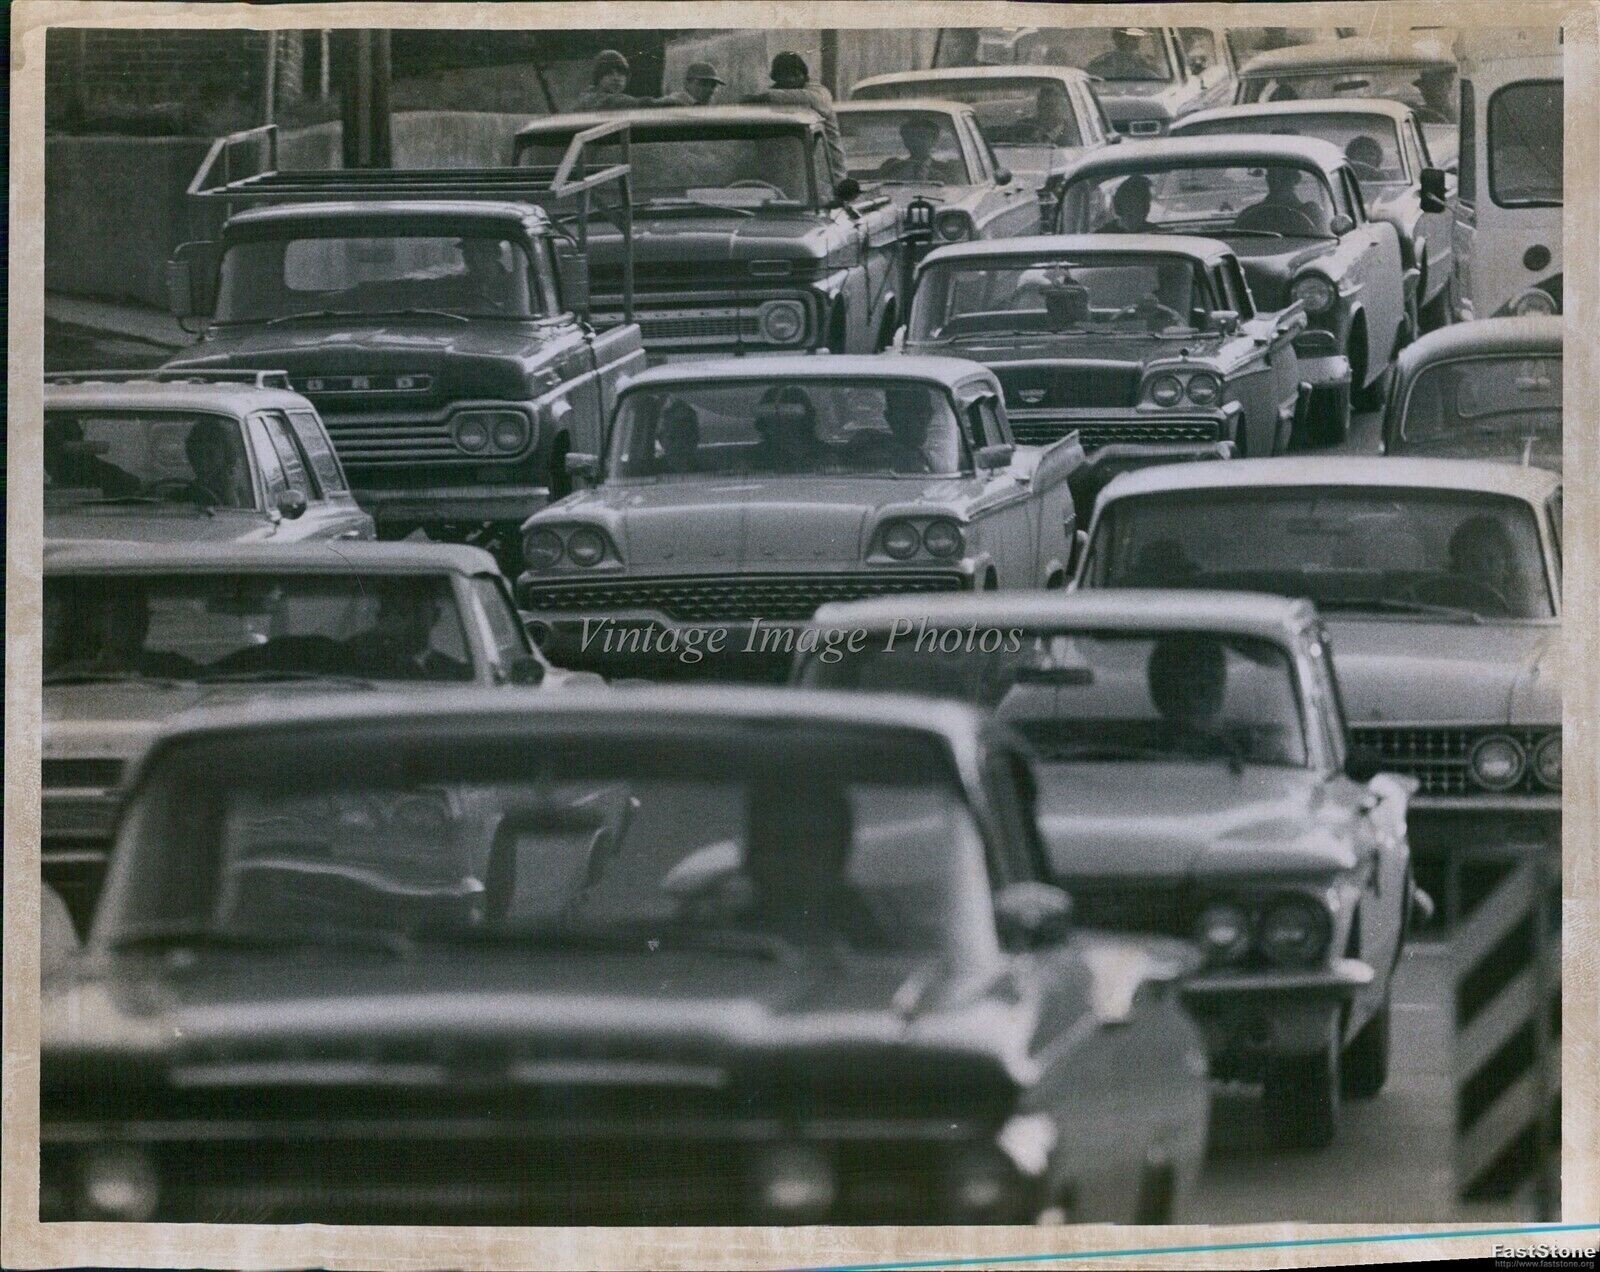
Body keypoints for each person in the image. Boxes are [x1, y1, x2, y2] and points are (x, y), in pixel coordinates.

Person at [740, 775, 883, 947]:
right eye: (779, 843)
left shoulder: (871, 939)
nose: (793, 862)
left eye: (810, 843)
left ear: (838, 855)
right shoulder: (720, 939)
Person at [745, 52, 846, 186]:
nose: (791, 80)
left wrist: (764, 98)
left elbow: (810, 99)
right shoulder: (777, 98)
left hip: (828, 176)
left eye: (795, 74)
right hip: (789, 178)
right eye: (785, 75)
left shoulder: (818, 92)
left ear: (804, 75)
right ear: (776, 78)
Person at [345, 583, 470, 680]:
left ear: (435, 615)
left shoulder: (459, 673)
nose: (408, 620)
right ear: (381, 617)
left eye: (417, 610)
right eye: (400, 611)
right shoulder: (356, 665)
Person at [1146, 635, 1237, 760]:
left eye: (1214, 681)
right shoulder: (1143, 753)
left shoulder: (1244, 755)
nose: (1209, 697)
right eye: (1199, 688)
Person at [43, 417, 141, 497]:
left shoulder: (109, 476)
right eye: (46, 453)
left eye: (57, 452)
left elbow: (137, 488)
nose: (47, 460)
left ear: (81, 446)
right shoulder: (41, 492)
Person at [750, 385, 826, 473]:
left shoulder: (825, 454)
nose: (783, 423)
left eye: (791, 417)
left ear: (806, 419)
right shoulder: (753, 457)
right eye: (774, 417)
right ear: (765, 422)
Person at [1235, 165, 1329, 235]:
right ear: (1268, 179)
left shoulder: (1312, 212)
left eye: (1284, 177)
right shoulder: (1249, 215)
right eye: (1272, 176)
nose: (1276, 182)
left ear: (1295, 179)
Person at [182, 418, 251, 509]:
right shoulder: (185, 493)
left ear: (225, 454)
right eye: (198, 453)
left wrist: (229, 494)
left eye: (210, 454)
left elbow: (239, 518)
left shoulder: (239, 492)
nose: (203, 461)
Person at [877, 116, 962, 183]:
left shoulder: (947, 170)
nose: (917, 141)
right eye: (911, 137)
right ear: (905, 141)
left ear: (934, 140)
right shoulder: (893, 167)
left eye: (923, 136)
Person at [576, 49, 658, 111]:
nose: (616, 78)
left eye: (621, 73)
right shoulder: (589, 98)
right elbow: (614, 102)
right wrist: (659, 102)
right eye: (609, 73)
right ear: (598, 77)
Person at [1087, 28, 1161, 81]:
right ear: (1116, 39)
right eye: (1125, 38)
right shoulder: (1099, 64)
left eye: (1134, 38)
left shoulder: (1148, 67)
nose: (1129, 41)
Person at [655, 400, 701, 474]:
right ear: (661, 440)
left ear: (696, 438)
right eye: (673, 438)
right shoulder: (647, 474)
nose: (680, 444)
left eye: (686, 437)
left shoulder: (714, 477)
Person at [659, 61, 725, 107]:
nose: (710, 90)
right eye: (704, 84)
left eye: (713, 85)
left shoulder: (710, 106)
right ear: (687, 84)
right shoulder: (673, 102)